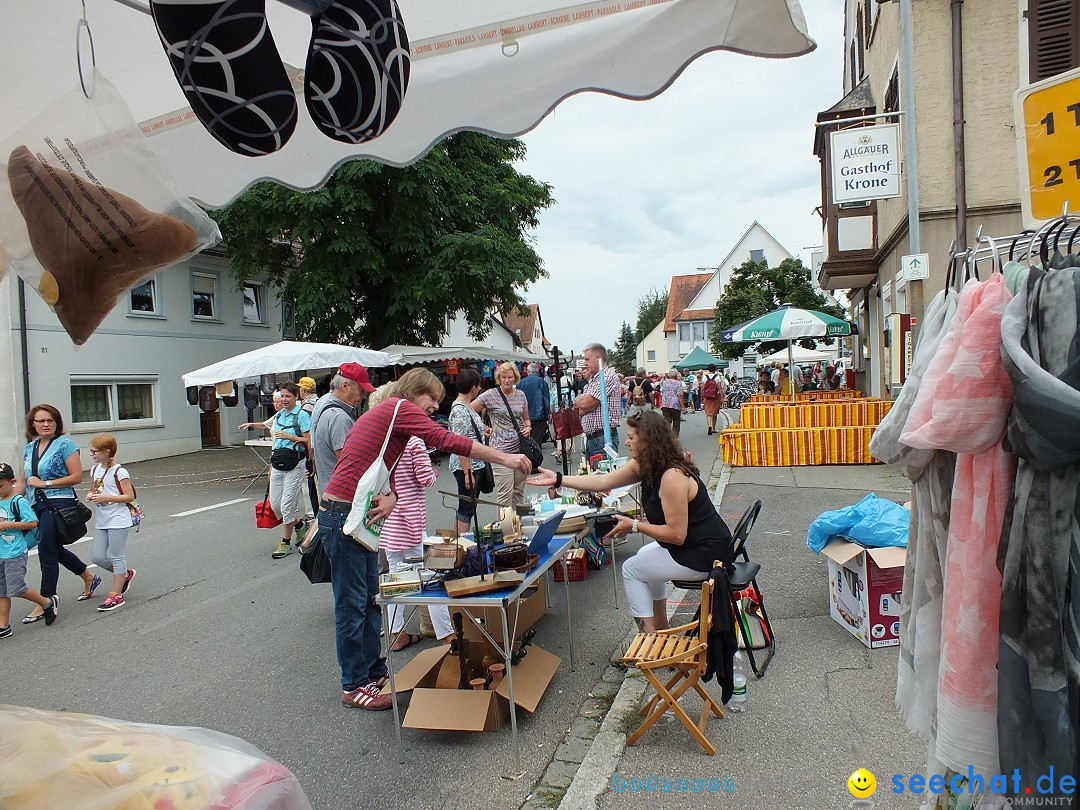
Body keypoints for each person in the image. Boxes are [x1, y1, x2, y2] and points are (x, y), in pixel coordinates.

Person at [319, 368, 531, 710]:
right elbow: (447, 440)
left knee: (370, 601)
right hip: (343, 516)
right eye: (431, 398)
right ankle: (353, 684)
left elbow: (371, 468)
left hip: (353, 514)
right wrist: (504, 456)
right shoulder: (400, 409)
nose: (435, 405)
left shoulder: (390, 418)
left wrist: (392, 498)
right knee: (352, 606)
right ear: (414, 392)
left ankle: (373, 672)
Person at [528, 410, 732, 633]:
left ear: (648, 441)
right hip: (694, 545)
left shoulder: (672, 476)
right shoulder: (646, 465)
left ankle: (649, 639)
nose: (626, 442)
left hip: (707, 553)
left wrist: (634, 525)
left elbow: (676, 534)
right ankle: (661, 629)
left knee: (632, 569)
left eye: (632, 438)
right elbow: (603, 481)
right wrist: (558, 479)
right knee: (644, 558)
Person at [19, 404, 95, 623]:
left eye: (50, 420)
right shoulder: (29, 448)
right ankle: (88, 575)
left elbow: (76, 476)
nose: (45, 424)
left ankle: (45, 601)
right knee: (53, 548)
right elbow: (23, 481)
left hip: (58, 504)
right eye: (41, 421)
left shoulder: (65, 445)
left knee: (46, 551)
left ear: (56, 423)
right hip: (36, 505)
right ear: (33, 424)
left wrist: (46, 483)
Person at [0, 463, 54, 637]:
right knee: (1, 591)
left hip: (14, 552)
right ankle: (4, 625)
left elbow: (32, 523)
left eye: (0, 485)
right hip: (1, 552)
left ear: (12, 482)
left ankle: (46, 603)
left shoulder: (18, 501)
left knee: (16, 588)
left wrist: (7, 525)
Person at [86, 434, 136, 612]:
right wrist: (91, 495)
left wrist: (106, 497)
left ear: (106, 452)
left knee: (117, 555)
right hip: (102, 518)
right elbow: (93, 489)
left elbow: (129, 496)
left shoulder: (119, 471)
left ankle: (116, 594)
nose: (91, 454)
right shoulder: (95, 470)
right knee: (97, 557)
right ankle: (125, 575)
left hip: (118, 518)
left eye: (94, 451)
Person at [309, 363, 374, 499]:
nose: (363, 396)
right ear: (345, 386)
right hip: (341, 498)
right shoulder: (340, 418)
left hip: (331, 494)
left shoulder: (325, 405)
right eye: (362, 390)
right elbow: (349, 464)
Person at [473, 362, 531, 510]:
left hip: (521, 450)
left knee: (518, 492)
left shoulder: (521, 395)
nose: (507, 380)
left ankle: (517, 525)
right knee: (505, 494)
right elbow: (468, 411)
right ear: (498, 378)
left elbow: (526, 418)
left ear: (515, 378)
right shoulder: (491, 394)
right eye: (504, 377)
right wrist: (483, 427)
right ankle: (505, 530)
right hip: (500, 451)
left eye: (510, 377)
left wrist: (528, 427)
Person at [268, 383, 311, 559]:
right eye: (282, 396)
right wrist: (271, 466)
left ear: (296, 398)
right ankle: (299, 525)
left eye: (288, 396)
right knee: (275, 506)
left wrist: (290, 437)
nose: (284, 400)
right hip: (278, 463)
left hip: (295, 463)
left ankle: (285, 542)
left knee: (287, 506)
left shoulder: (302, 416)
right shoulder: (278, 416)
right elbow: (275, 443)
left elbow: (309, 441)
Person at [449, 369, 490, 536]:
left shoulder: (466, 406)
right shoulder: (459, 410)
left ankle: (459, 541)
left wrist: (484, 430)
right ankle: (461, 543)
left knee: (468, 506)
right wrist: (467, 472)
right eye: (478, 386)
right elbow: (459, 444)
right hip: (467, 465)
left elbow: (470, 431)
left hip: (473, 463)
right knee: (466, 507)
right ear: (473, 387)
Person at [575, 343, 622, 464]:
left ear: (598, 358)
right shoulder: (594, 379)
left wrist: (584, 402)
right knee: (592, 476)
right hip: (594, 438)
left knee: (601, 478)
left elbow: (585, 403)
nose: (585, 363)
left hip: (603, 438)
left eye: (587, 359)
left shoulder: (606, 377)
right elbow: (579, 407)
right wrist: (583, 403)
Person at [517, 363, 550, 447]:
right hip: (538, 416)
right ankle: (535, 458)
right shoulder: (542, 382)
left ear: (528, 371)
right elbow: (546, 400)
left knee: (525, 441)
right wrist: (546, 416)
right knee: (537, 442)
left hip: (524, 416)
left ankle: (528, 458)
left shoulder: (521, 383)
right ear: (538, 371)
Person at [701, 364, 726, 436]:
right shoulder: (717, 377)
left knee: (708, 412)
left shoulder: (704, 377)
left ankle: (709, 425)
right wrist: (722, 396)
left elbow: (702, 387)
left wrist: (702, 396)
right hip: (715, 396)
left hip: (707, 396)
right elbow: (719, 387)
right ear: (715, 369)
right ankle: (713, 428)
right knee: (714, 412)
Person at [659, 370, 685, 436]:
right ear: (676, 375)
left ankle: (666, 437)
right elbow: (680, 395)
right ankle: (674, 438)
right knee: (676, 422)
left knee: (667, 422)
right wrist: (683, 406)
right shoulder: (678, 383)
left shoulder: (664, 383)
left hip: (665, 404)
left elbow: (662, 393)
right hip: (675, 405)